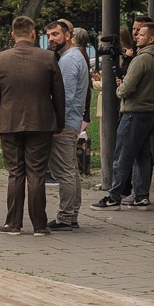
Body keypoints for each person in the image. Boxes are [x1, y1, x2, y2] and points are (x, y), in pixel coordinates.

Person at [0, 15, 66, 236]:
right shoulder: (48, 58)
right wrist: (59, 122)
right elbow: (59, 95)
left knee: (15, 172)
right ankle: (40, 225)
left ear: (12, 34)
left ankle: (13, 224)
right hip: (41, 122)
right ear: (33, 34)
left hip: (9, 122)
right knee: (37, 173)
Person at [94, 19, 154, 210]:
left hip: (134, 112)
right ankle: (141, 195)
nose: (137, 37)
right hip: (150, 111)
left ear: (151, 39)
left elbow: (126, 88)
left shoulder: (142, 59)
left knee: (122, 155)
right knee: (142, 155)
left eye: (141, 34)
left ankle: (113, 196)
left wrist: (120, 88)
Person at [48, 19, 89, 231]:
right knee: (71, 169)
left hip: (65, 123)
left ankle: (65, 217)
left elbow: (65, 96)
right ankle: (71, 214)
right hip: (71, 120)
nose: (51, 39)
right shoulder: (71, 57)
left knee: (64, 170)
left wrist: (57, 124)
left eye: (55, 34)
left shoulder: (69, 60)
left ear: (67, 35)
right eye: (49, 35)